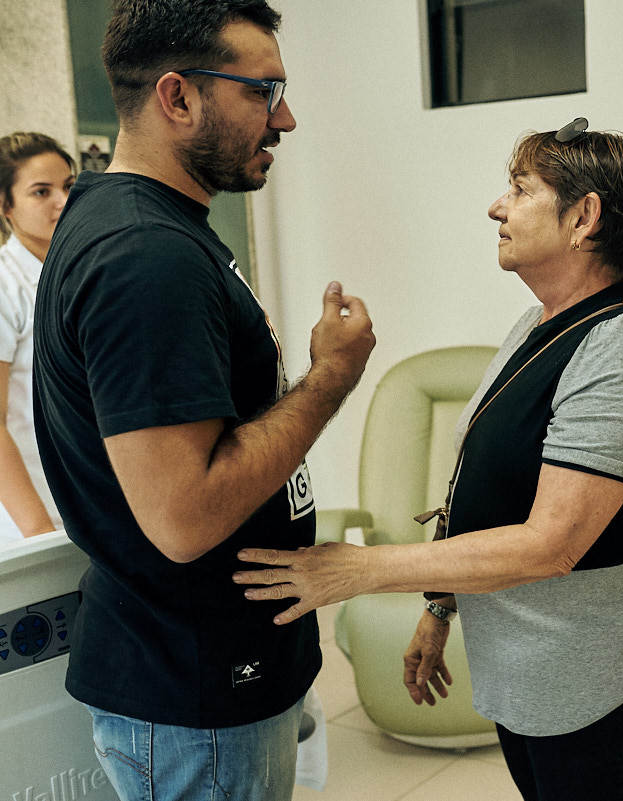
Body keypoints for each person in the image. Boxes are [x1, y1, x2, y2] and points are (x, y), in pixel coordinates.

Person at [233, 119, 623, 801]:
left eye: (520, 189)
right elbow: (478, 486)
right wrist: (439, 607)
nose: (497, 206)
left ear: (585, 217)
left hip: (602, 674)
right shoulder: (540, 322)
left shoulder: (621, 348)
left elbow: (550, 543)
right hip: (530, 668)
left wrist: (362, 569)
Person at [31, 2, 374, 799]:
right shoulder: (147, 257)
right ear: (177, 97)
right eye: (263, 91)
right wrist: (329, 380)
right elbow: (184, 517)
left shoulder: (153, 226)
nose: (284, 118)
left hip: (219, 666)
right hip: (197, 692)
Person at [0, 132, 74, 542]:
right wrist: (40, 531)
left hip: (85, 510)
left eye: (67, 186)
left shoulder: (75, 273)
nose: (61, 201)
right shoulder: (4, 284)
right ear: (4, 205)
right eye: (40, 192)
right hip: (30, 521)